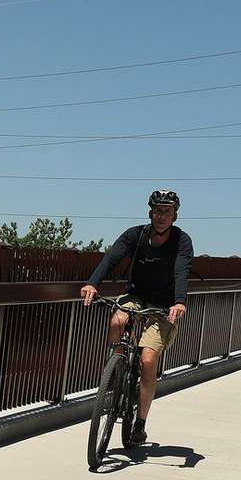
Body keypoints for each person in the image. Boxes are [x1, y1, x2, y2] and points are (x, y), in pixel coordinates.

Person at [80, 189, 194, 446]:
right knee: (117, 321)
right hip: (137, 295)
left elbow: (181, 270)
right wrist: (92, 283)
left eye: (167, 211)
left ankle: (140, 422)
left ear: (175, 215)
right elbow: (111, 258)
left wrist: (179, 301)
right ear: (150, 213)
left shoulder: (182, 241)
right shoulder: (136, 235)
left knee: (148, 358)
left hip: (165, 305)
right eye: (157, 211)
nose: (161, 216)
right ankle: (117, 366)